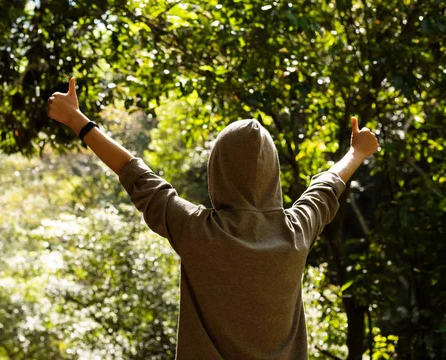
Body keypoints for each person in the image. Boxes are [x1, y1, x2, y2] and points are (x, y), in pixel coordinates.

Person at [47, 77, 379, 359]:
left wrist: (77, 119)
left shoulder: (196, 230)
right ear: (273, 173)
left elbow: (135, 172)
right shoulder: (297, 231)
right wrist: (357, 152)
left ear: (216, 170)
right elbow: (327, 185)